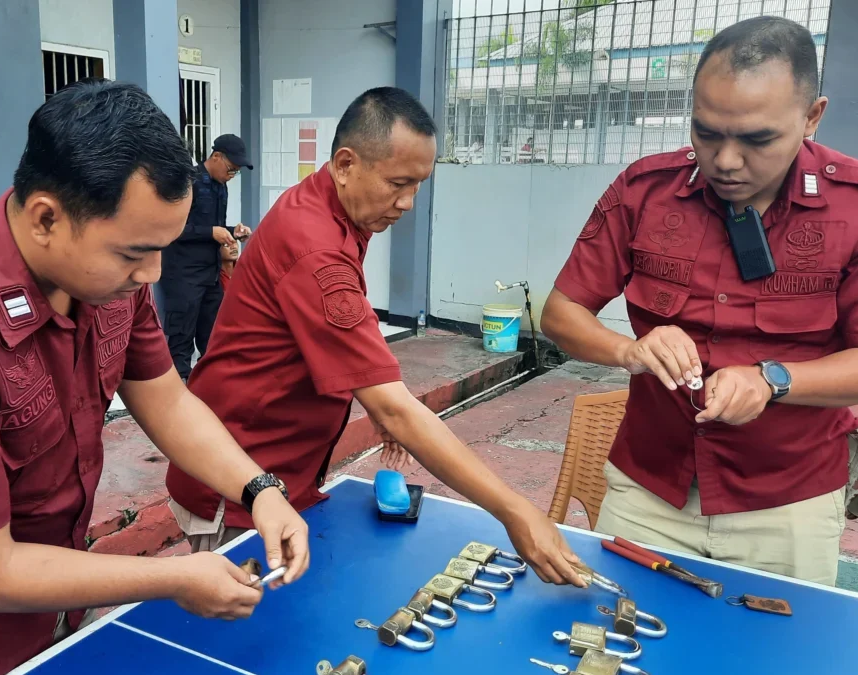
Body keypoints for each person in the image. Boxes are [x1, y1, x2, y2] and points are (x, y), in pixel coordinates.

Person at [0, 81, 309, 675]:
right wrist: (173, 578)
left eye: (162, 248)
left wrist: (259, 489)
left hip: (58, 609)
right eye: (134, 252)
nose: (153, 273)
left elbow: (165, 399)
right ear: (45, 218)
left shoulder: (107, 281)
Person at [541, 16, 858, 586]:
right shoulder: (644, 192)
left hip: (787, 504)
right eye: (707, 133)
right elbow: (561, 313)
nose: (726, 161)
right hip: (648, 489)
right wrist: (630, 350)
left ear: (812, 116)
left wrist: (773, 381)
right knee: (615, 642)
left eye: (758, 139)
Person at [165, 86, 586, 587]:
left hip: (285, 473)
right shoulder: (316, 247)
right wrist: (514, 510)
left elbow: (347, 344)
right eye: (397, 183)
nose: (407, 203)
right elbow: (393, 406)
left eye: (418, 185)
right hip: (236, 484)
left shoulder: (334, 209)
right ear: (345, 164)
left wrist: (373, 387)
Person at [160, 133, 253, 380]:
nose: (232, 176)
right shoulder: (187, 183)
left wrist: (233, 231)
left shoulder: (220, 188)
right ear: (216, 156)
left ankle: (209, 383)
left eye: (237, 172)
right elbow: (171, 229)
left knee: (213, 335)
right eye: (231, 169)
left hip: (210, 274)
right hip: (184, 274)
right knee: (181, 337)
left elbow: (214, 227)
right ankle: (180, 389)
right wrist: (211, 232)